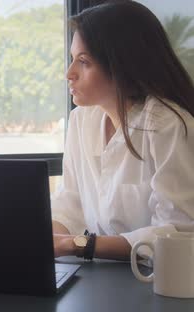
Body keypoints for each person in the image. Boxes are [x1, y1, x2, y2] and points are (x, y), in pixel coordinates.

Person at [51, 1, 194, 261]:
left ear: (121, 64)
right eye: (73, 59)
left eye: (83, 62)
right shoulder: (81, 120)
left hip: (154, 282)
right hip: (99, 277)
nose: (69, 73)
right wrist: (44, 242)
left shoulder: (167, 124)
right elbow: (69, 203)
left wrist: (78, 245)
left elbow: (177, 232)